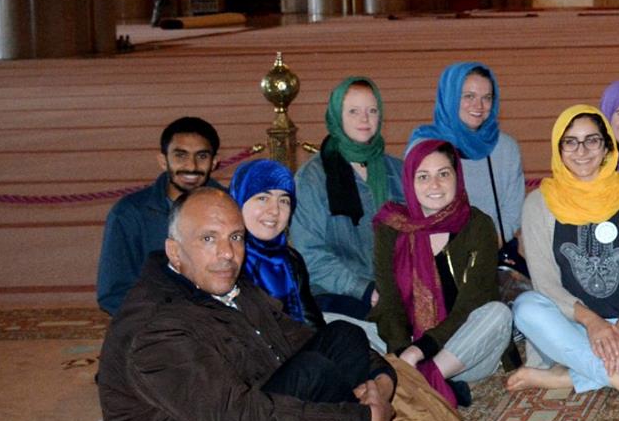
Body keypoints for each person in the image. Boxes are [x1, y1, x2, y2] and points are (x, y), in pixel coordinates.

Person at [99, 189, 453, 421]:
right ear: (174, 251)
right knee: (312, 377)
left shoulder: (221, 288)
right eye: (208, 239)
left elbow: (304, 342)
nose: (226, 253)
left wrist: (381, 384)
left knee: (342, 339)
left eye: (235, 238)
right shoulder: (156, 330)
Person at [508, 108, 619, 400]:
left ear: (606, 147)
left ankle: (564, 376)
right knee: (526, 307)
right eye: (571, 142)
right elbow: (545, 283)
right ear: (558, 148)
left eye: (592, 140)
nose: (581, 151)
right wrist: (592, 323)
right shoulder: (538, 204)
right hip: (572, 325)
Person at [372, 139, 514, 405]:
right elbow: (390, 301)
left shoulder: (477, 225)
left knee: (498, 314)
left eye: (443, 174)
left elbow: (471, 305)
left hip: (462, 353)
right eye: (423, 176)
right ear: (410, 182)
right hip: (404, 348)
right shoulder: (391, 227)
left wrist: (420, 350)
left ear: (457, 178)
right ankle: (425, 382)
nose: (434, 185)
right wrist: (403, 350)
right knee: (336, 324)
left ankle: (419, 379)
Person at [291, 78, 406, 345]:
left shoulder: (398, 171)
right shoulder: (313, 178)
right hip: (337, 294)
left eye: (372, 110)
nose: (364, 119)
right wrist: (365, 290)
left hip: (395, 290)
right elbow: (310, 255)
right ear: (336, 116)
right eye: (353, 111)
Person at [98, 116, 222, 315]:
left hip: (221, 322)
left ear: (214, 162)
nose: (191, 166)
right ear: (163, 161)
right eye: (180, 156)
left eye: (201, 156)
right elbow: (113, 292)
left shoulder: (232, 209)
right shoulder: (130, 213)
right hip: (156, 326)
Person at [407, 62, 526, 264]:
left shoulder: (506, 148)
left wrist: (478, 254)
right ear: (450, 96)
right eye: (468, 96)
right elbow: (414, 210)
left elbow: (512, 214)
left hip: (491, 253)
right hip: (436, 258)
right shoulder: (423, 148)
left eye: (486, 98)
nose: (478, 106)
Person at [231, 157, 321, 329]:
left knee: (346, 333)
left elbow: (312, 324)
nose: (274, 211)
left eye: (284, 201)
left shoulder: (290, 260)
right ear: (239, 200)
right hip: (249, 351)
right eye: (263, 198)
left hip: (298, 348)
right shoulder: (226, 257)